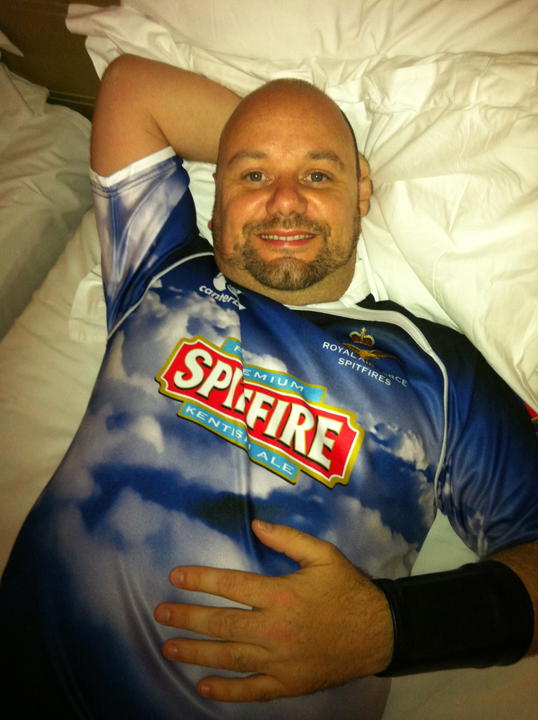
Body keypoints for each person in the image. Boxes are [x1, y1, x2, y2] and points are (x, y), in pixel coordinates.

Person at [1, 54, 537, 720]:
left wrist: (390, 628)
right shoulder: (159, 273)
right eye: (253, 176)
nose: (285, 200)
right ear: (216, 204)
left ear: (362, 194)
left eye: (318, 176)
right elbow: (130, 89)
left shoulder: (438, 370)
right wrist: (291, 145)